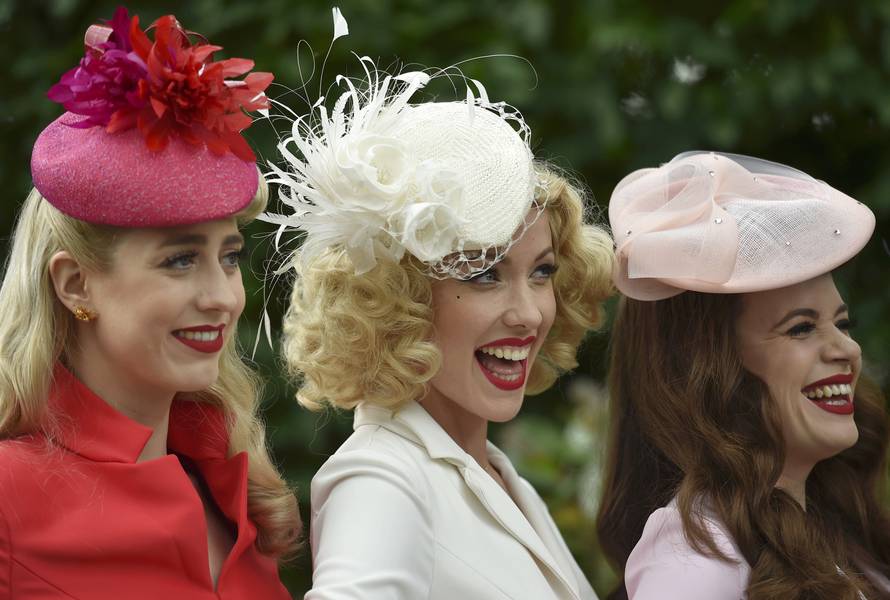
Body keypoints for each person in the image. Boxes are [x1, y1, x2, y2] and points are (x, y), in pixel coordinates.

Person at [262, 46, 613, 598]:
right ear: (398, 298)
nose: (529, 313)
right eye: (485, 275)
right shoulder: (382, 480)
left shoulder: (496, 474)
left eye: (542, 272)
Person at [0, 8, 298, 598]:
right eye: (179, 260)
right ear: (75, 284)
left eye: (229, 257)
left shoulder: (238, 490)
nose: (222, 297)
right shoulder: (10, 497)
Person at [596, 151, 890, 600]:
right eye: (801, 328)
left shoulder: (844, 535)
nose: (848, 350)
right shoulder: (695, 553)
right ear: (710, 367)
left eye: (842, 323)